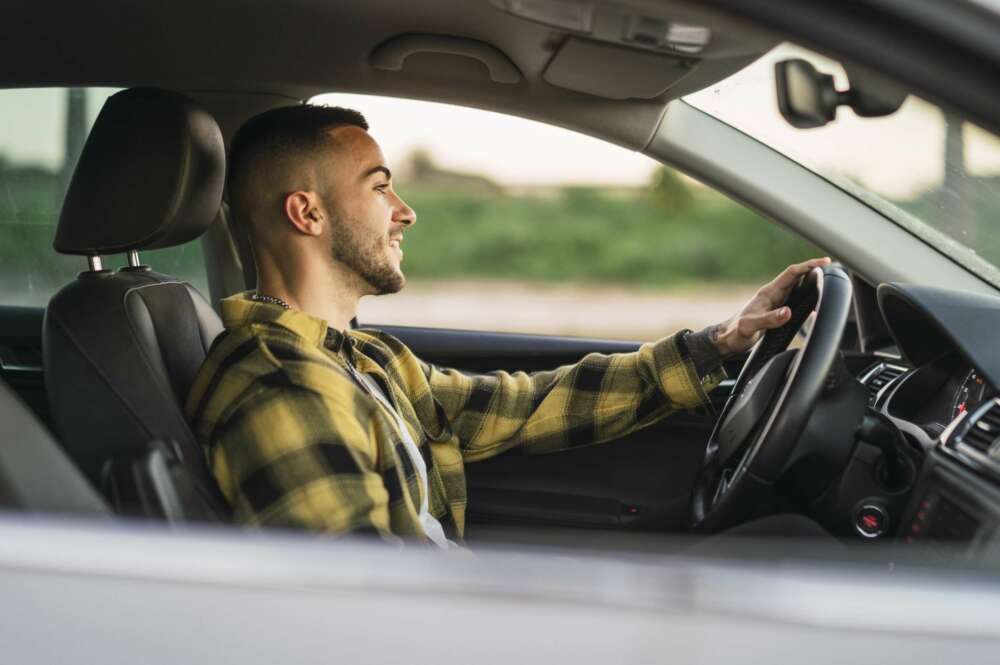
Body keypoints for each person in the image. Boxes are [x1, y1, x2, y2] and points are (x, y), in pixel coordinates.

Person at [184, 104, 830, 547]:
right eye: (380, 187)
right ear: (307, 212)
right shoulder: (282, 386)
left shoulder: (362, 357)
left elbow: (524, 405)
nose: (405, 212)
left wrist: (718, 342)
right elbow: (358, 608)